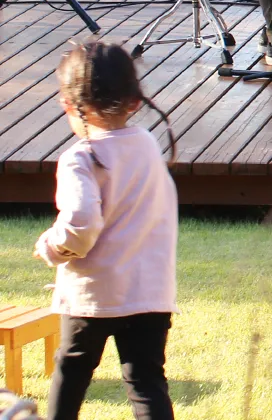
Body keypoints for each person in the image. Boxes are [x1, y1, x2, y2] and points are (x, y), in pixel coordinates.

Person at [34, 42, 178, 420]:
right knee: (146, 382)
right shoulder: (147, 145)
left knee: (72, 372)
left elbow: (81, 223)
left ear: (67, 102)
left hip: (93, 295)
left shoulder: (80, 158)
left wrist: (52, 246)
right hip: (149, 293)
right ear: (134, 101)